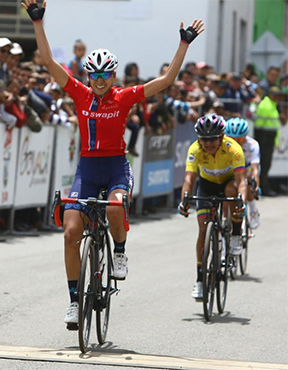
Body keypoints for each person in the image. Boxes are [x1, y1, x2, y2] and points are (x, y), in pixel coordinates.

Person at [22, 0, 204, 325]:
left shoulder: (123, 96)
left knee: (114, 207)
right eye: (94, 74)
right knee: (70, 233)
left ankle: (119, 251)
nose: (100, 79)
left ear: (113, 74)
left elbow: (165, 81)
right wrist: (38, 21)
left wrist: (183, 43)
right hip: (87, 170)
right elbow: (48, 62)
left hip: (116, 166)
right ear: (88, 75)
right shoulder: (79, 93)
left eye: (105, 74)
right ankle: (75, 301)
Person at [178, 113, 247, 299]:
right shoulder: (195, 150)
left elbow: (242, 181)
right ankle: (200, 279)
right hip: (206, 186)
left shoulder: (234, 149)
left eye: (212, 139)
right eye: (204, 139)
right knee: (202, 229)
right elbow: (189, 179)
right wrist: (184, 199)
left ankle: (235, 234)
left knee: (233, 193)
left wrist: (242, 200)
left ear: (221, 137)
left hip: (228, 183)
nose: (208, 143)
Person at [225, 117, 260, 228]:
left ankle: (253, 210)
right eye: (232, 139)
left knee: (249, 185)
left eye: (239, 140)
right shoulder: (223, 144)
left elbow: (255, 169)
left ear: (245, 137)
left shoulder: (253, 145)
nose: (235, 143)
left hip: (247, 168)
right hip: (231, 168)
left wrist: (255, 185)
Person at [254, 86, 284, 196]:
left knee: (266, 165)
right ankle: (262, 188)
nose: (277, 97)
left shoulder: (272, 105)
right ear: (270, 94)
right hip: (264, 139)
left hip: (269, 138)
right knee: (264, 164)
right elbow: (259, 126)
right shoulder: (266, 105)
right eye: (275, 95)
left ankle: (263, 187)